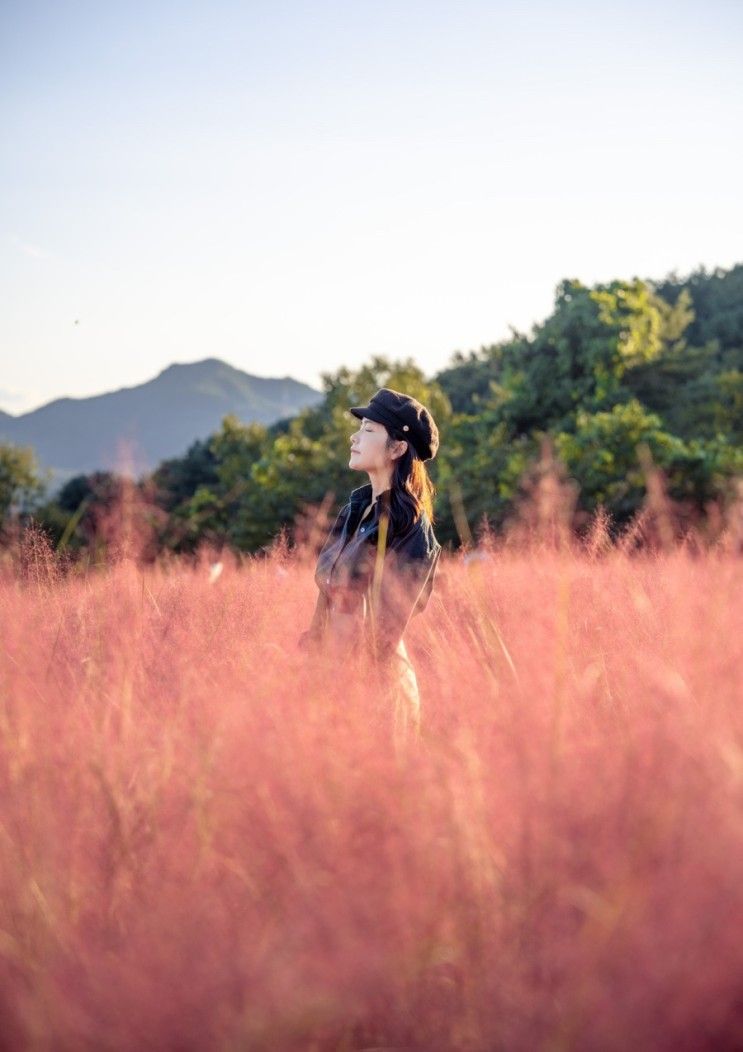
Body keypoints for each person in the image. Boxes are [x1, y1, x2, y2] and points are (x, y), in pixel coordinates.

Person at [298, 387, 443, 742]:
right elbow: (326, 598)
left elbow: (382, 636)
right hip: (330, 679)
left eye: (368, 430)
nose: (354, 436)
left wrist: (340, 685)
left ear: (397, 448)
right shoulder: (354, 511)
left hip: (375, 693)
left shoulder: (413, 531)